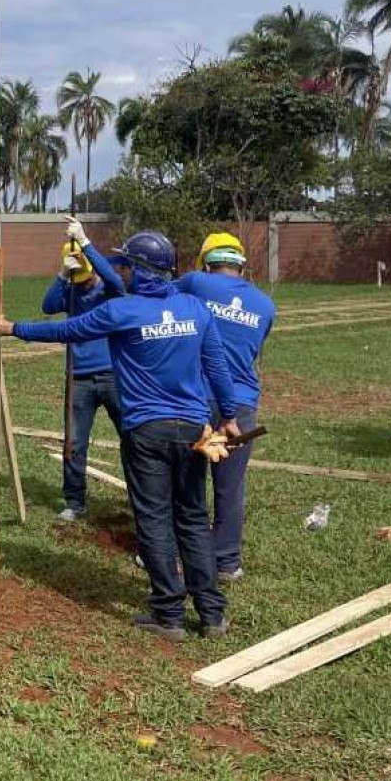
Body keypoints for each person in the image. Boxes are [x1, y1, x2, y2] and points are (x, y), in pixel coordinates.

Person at [0, 231, 243, 641]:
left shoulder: (123, 311)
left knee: (154, 519)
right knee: (192, 518)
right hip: (194, 429)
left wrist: (12, 327)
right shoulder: (195, 309)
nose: (122, 271)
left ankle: (169, 615)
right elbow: (217, 366)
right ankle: (211, 615)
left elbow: (68, 330)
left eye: (126, 265)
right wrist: (228, 416)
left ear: (138, 270)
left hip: (146, 432)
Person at [175, 232, 276, 582]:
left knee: (187, 479)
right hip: (240, 409)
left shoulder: (194, 283)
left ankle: (177, 554)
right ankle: (227, 562)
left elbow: (158, 301)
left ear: (206, 261)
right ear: (240, 264)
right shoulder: (265, 305)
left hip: (199, 403)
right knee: (229, 487)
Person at [47, 216, 127, 521]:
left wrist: (85, 242)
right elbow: (47, 306)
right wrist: (62, 274)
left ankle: (141, 495)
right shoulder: (71, 291)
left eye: (86, 275)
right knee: (74, 441)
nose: (85, 283)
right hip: (78, 377)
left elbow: (117, 282)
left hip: (113, 375)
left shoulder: (107, 291)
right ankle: (75, 501)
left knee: (131, 438)